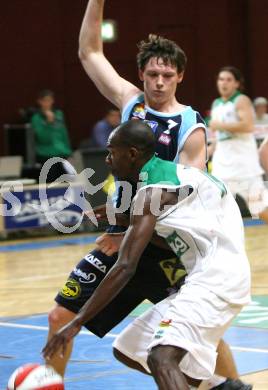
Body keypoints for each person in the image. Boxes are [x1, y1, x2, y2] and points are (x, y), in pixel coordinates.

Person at [45, 2, 247, 388]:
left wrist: (120, 225)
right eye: (152, 74)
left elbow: (192, 202)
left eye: (167, 75)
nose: (158, 82)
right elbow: (89, 52)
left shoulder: (190, 127)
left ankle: (230, 385)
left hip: (169, 245)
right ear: (141, 74)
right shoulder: (130, 102)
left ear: (179, 77)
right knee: (60, 317)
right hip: (129, 235)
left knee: (191, 339)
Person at [43, 121, 251, 390]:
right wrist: (126, 217)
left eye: (111, 152)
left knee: (161, 357)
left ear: (131, 154)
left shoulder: (149, 193)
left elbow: (125, 266)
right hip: (218, 272)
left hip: (215, 278)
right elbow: (179, 230)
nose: (107, 159)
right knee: (130, 349)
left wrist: (77, 323)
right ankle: (216, 384)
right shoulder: (179, 174)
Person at [209, 66, 268, 222]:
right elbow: (217, 138)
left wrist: (219, 125)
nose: (224, 83)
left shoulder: (241, 100)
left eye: (229, 79)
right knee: (216, 207)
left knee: (258, 208)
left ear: (236, 84)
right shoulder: (216, 104)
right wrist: (207, 152)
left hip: (244, 165)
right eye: (221, 79)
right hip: (222, 165)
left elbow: (248, 126)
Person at [31, 89, 72, 182]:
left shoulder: (59, 114)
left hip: (62, 154)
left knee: (68, 183)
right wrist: (48, 123)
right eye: (45, 101)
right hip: (47, 156)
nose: (47, 103)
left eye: (49, 100)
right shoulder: (36, 118)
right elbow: (42, 138)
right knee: (51, 184)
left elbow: (64, 134)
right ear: (39, 102)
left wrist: (69, 151)